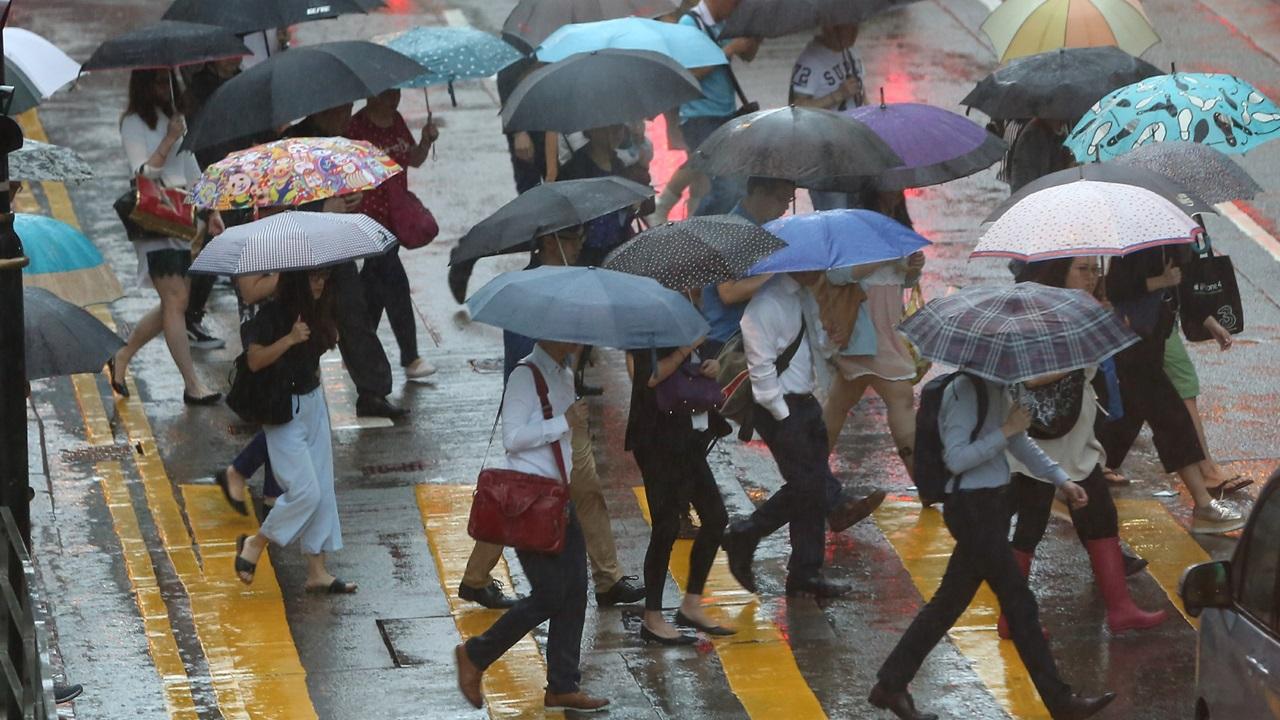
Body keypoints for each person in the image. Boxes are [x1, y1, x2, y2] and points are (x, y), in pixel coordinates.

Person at [868, 373, 1115, 720]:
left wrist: (1062, 480)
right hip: (972, 510)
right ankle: (1060, 702)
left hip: (991, 508)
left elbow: (1019, 445)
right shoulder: (965, 392)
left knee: (947, 605)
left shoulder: (995, 387)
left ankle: (890, 685)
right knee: (1020, 605)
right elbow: (956, 459)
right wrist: (1006, 430)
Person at [458, 227, 645, 609]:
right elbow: (530, 361)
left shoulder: (571, 285)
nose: (580, 245)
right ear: (548, 242)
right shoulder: (530, 294)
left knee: (582, 493)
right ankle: (480, 580)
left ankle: (606, 578)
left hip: (562, 413)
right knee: (522, 503)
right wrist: (557, 415)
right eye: (572, 238)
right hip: (545, 415)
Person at [1000, 257, 1167, 636]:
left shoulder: (1088, 308)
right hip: (1040, 443)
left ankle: (1121, 609)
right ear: (1061, 271)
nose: (1092, 278)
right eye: (1083, 270)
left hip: (1076, 439)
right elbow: (1030, 376)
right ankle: (1011, 618)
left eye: (1095, 269)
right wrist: (1076, 359)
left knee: (1101, 517)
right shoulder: (1038, 311)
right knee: (1030, 526)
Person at [454, 339, 610, 714]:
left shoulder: (566, 374)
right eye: (572, 333)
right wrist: (563, 423)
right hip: (530, 504)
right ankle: (475, 654)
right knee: (550, 593)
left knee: (575, 590)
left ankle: (562, 686)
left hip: (560, 498)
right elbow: (513, 439)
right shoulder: (525, 376)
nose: (579, 340)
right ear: (551, 334)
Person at [721, 270, 887, 599]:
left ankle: (805, 571)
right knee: (808, 486)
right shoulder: (766, 305)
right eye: (815, 264)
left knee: (810, 491)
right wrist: (783, 416)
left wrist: (834, 329)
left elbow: (818, 347)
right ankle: (745, 533)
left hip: (805, 403)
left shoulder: (802, 295)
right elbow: (761, 368)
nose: (822, 270)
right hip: (780, 409)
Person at [1100, 246, 1244, 534]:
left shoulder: (1174, 241)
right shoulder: (1136, 243)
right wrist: (1158, 282)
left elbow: (1183, 287)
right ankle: (1203, 504)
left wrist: (1209, 321)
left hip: (1152, 345)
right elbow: (1114, 288)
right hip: (1131, 345)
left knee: (1118, 430)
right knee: (1172, 421)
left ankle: (1073, 486)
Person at [233, 269, 356, 595]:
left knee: (323, 489)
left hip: (313, 403)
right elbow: (255, 360)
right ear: (297, 281)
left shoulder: (318, 311)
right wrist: (289, 339)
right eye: (312, 278)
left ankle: (317, 571)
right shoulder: (271, 316)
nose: (319, 283)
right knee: (305, 492)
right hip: (281, 411)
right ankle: (256, 542)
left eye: (323, 278)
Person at [281, 107, 406, 419]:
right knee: (296, 321)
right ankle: (286, 386)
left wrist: (351, 200)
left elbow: (346, 187)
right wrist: (323, 208)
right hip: (301, 252)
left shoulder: (341, 142)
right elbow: (280, 204)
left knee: (354, 315)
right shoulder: (290, 146)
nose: (347, 114)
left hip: (337, 245)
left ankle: (372, 392)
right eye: (342, 108)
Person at [108, 69, 221, 406]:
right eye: (157, 81)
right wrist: (169, 138)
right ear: (143, 85)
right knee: (176, 302)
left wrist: (210, 208)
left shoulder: (175, 116)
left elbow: (190, 164)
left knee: (175, 302)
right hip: (155, 219)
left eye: (167, 80)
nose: (164, 87)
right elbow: (141, 173)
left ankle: (122, 355)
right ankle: (192, 385)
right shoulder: (133, 122)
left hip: (183, 216)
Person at [626, 343, 734, 644]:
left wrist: (710, 366)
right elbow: (646, 376)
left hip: (689, 439)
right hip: (656, 440)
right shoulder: (644, 328)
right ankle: (652, 617)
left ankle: (692, 604)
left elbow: (692, 372)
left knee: (715, 517)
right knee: (666, 526)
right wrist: (685, 349)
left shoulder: (685, 318)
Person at [344, 88, 440, 381]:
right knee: (394, 280)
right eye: (387, 93)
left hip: (395, 216)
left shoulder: (396, 120)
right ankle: (410, 356)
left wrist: (425, 140)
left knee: (375, 286)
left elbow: (413, 159)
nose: (393, 98)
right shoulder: (356, 127)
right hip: (368, 218)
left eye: (396, 92)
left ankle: (357, 350)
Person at [649, 0, 760, 222]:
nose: (736, 8)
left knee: (706, 177)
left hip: (725, 114)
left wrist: (754, 36)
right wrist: (728, 49)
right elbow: (690, 73)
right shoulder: (690, 24)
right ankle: (696, 225)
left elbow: (748, 56)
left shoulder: (725, 24)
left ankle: (692, 217)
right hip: (699, 115)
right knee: (726, 185)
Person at [822, 251, 926, 479]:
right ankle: (923, 482)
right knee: (901, 400)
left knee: (838, 404)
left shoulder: (889, 239)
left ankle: (809, 472)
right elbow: (836, 275)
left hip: (882, 336)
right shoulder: (856, 239)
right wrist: (882, 258)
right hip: (864, 334)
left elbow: (903, 281)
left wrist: (914, 268)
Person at [698, 177, 795, 357]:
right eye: (780, 199)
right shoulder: (731, 231)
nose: (785, 208)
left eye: (789, 201)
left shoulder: (762, 228)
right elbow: (728, 293)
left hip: (750, 337)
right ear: (758, 192)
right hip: (726, 342)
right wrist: (777, 273)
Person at [789, 23, 866, 212]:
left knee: (857, 215)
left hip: (854, 149)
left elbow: (860, 95)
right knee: (834, 214)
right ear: (831, 27)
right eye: (850, 25)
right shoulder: (810, 60)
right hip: (825, 155)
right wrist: (837, 95)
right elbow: (795, 107)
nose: (856, 30)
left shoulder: (851, 53)